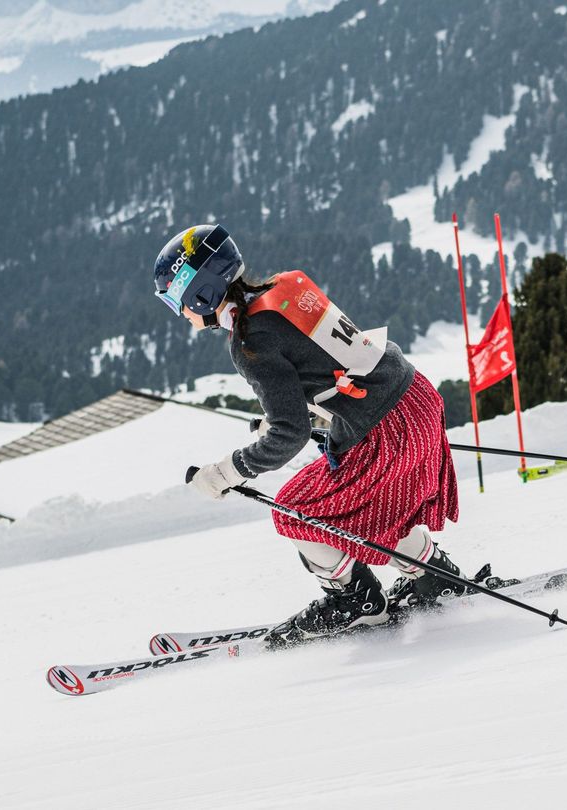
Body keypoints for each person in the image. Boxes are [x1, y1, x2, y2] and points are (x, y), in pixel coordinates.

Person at [152, 224, 469, 646]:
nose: (181, 314)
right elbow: (328, 363)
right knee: (377, 503)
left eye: (177, 300)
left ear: (201, 292)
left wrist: (227, 472)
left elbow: (289, 434)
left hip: (384, 427)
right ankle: (431, 574)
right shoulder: (282, 287)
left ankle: (357, 602)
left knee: (295, 510)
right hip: (416, 399)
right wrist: (308, 418)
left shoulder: (250, 341)